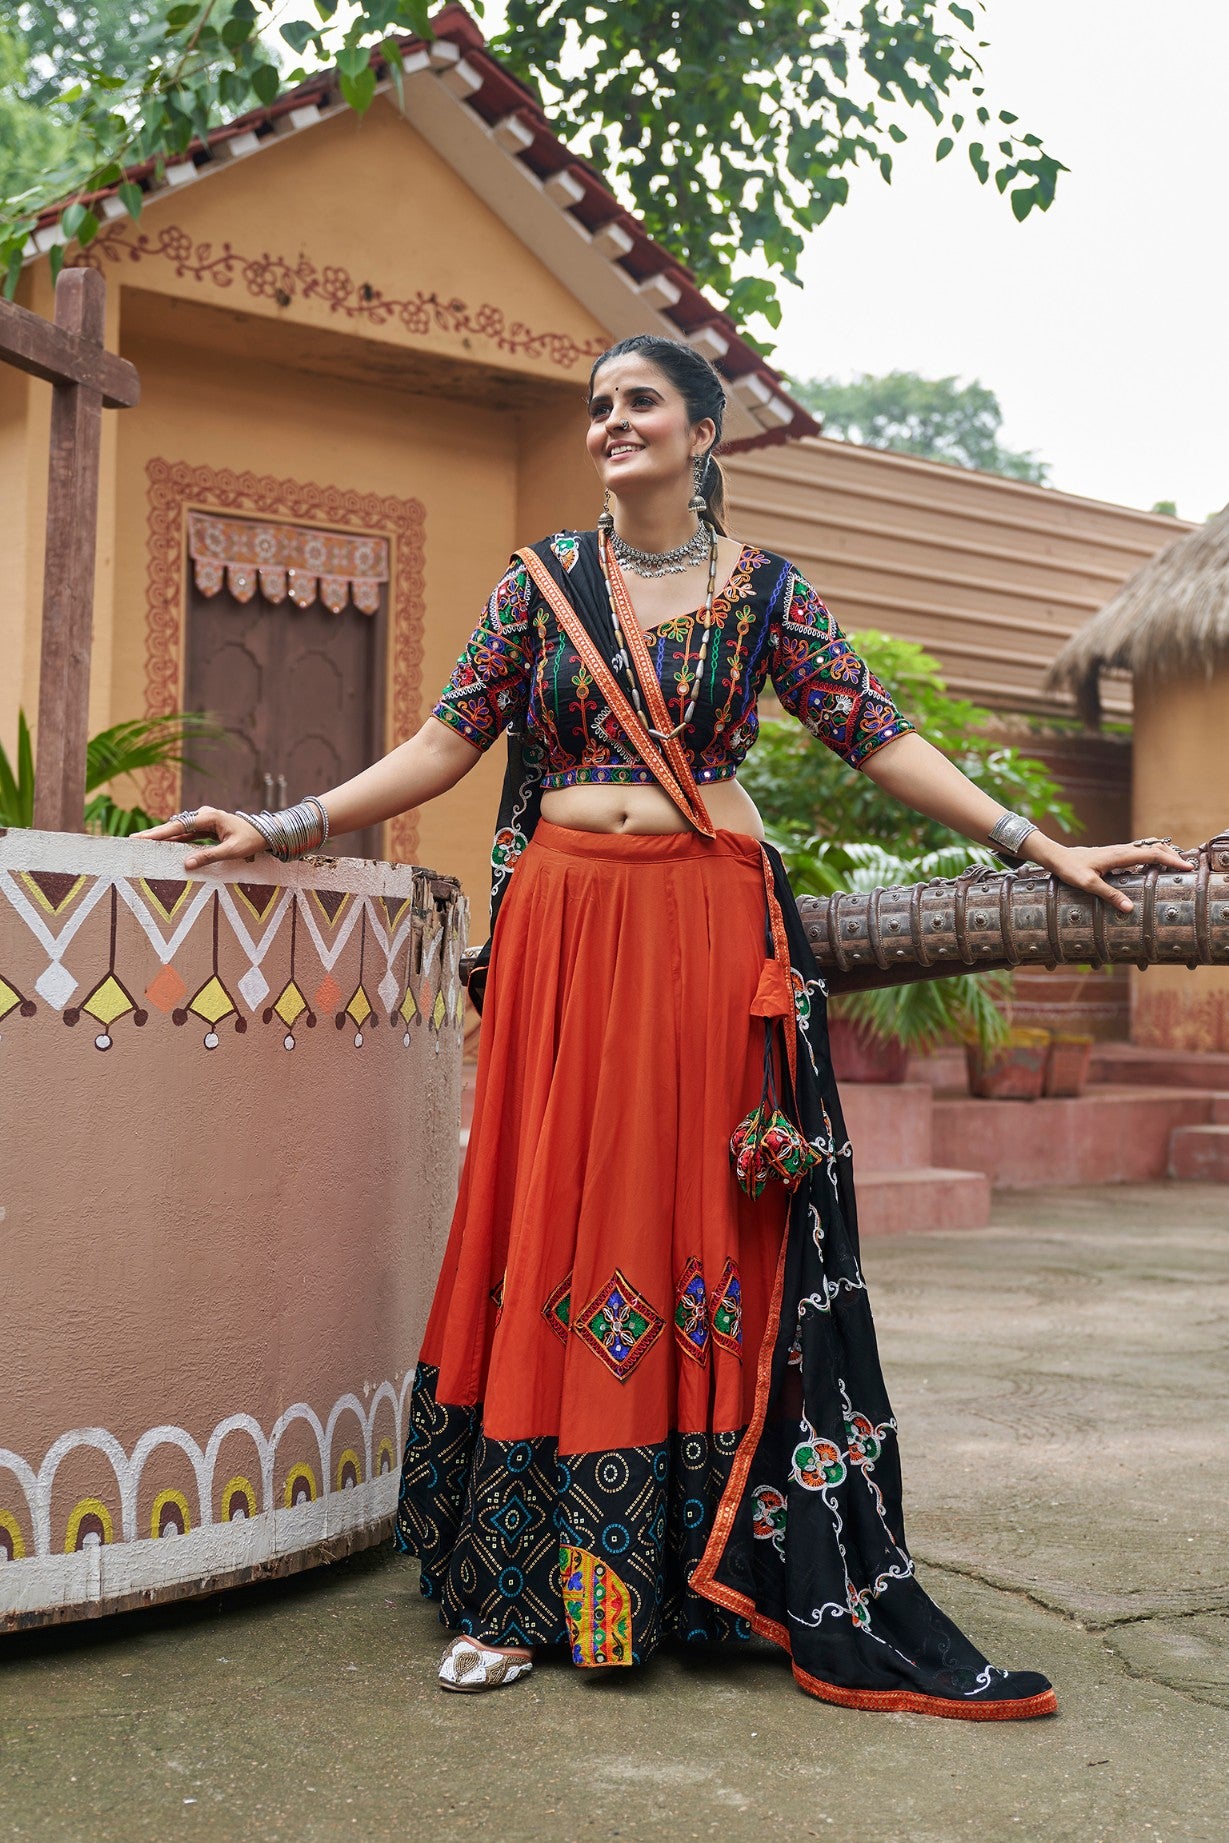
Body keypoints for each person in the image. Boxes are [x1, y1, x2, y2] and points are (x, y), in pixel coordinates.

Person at [140, 334, 1189, 1717]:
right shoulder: (541, 587)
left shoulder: (766, 598)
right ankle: (525, 1590)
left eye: (637, 403)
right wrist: (279, 824)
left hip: (709, 933)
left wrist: (1035, 844)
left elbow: (872, 731)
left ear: (704, 432)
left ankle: (697, 1566)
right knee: (559, 1216)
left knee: (701, 1217)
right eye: (595, 408)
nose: (607, 425)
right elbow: (448, 741)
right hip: (571, 935)